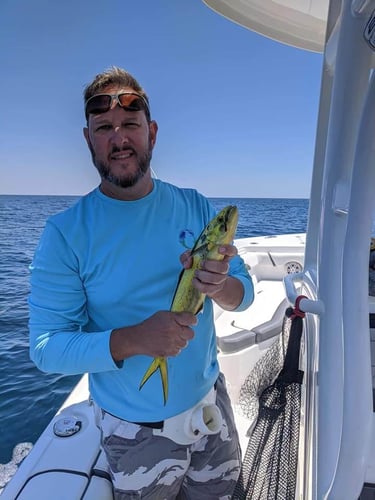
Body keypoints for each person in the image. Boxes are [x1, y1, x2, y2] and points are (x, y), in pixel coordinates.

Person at [29, 66, 254, 499]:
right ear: (87, 138)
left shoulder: (194, 204)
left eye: (130, 124)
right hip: (135, 434)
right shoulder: (65, 234)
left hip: (212, 406)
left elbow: (242, 295)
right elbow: (46, 348)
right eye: (104, 128)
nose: (119, 138)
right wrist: (134, 339)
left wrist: (221, 286)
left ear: (151, 131)